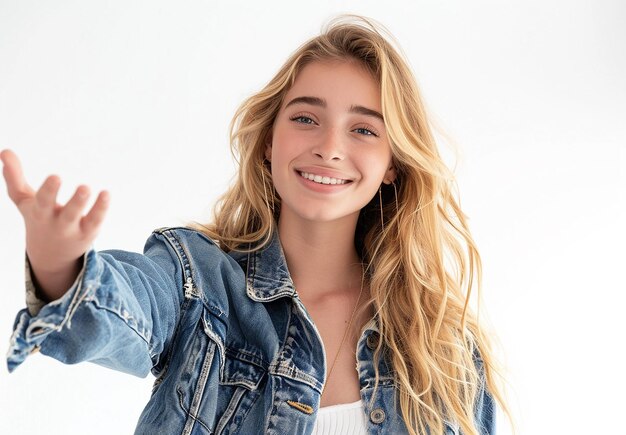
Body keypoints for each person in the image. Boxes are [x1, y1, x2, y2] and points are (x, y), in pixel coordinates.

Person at [2, 15, 506, 435]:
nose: (329, 147)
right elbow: (121, 313)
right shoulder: (198, 283)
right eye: (306, 118)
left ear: (393, 163)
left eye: (363, 129)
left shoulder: (443, 346)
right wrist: (59, 268)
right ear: (269, 142)